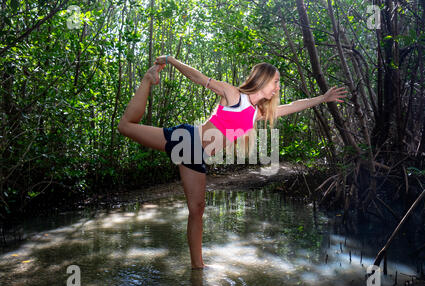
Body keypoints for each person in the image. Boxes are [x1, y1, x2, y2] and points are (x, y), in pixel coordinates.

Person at [118, 55, 347, 269]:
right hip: (188, 140)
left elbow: (292, 106)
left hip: (197, 156)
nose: (278, 87)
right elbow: (198, 77)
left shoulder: (256, 113)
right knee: (126, 126)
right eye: (276, 82)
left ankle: (197, 268)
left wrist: (323, 99)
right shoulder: (233, 95)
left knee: (197, 210)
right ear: (263, 79)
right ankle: (148, 79)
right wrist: (171, 60)